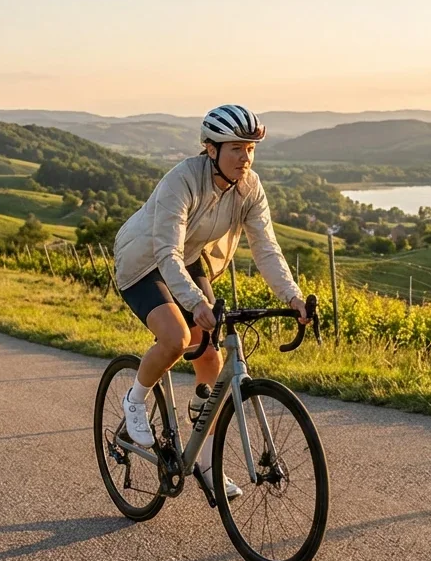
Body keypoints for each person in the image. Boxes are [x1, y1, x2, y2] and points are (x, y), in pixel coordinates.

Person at [113, 104, 309, 499]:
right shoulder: (182, 180)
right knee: (175, 336)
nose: (245, 158)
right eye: (236, 148)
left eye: (250, 149)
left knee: (211, 355)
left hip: (186, 259)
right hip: (144, 261)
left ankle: (202, 460)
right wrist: (194, 301)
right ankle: (134, 399)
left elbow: (266, 248)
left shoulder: (249, 187)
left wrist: (293, 296)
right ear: (210, 148)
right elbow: (166, 252)